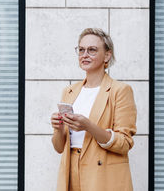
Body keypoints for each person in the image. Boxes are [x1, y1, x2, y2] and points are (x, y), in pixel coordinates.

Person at [50, 28, 137, 191]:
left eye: (92, 50)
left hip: (102, 175)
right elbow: (59, 147)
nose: (84, 55)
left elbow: (124, 143)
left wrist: (88, 126)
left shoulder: (120, 90)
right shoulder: (69, 92)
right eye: (81, 50)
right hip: (71, 171)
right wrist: (58, 128)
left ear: (107, 55)